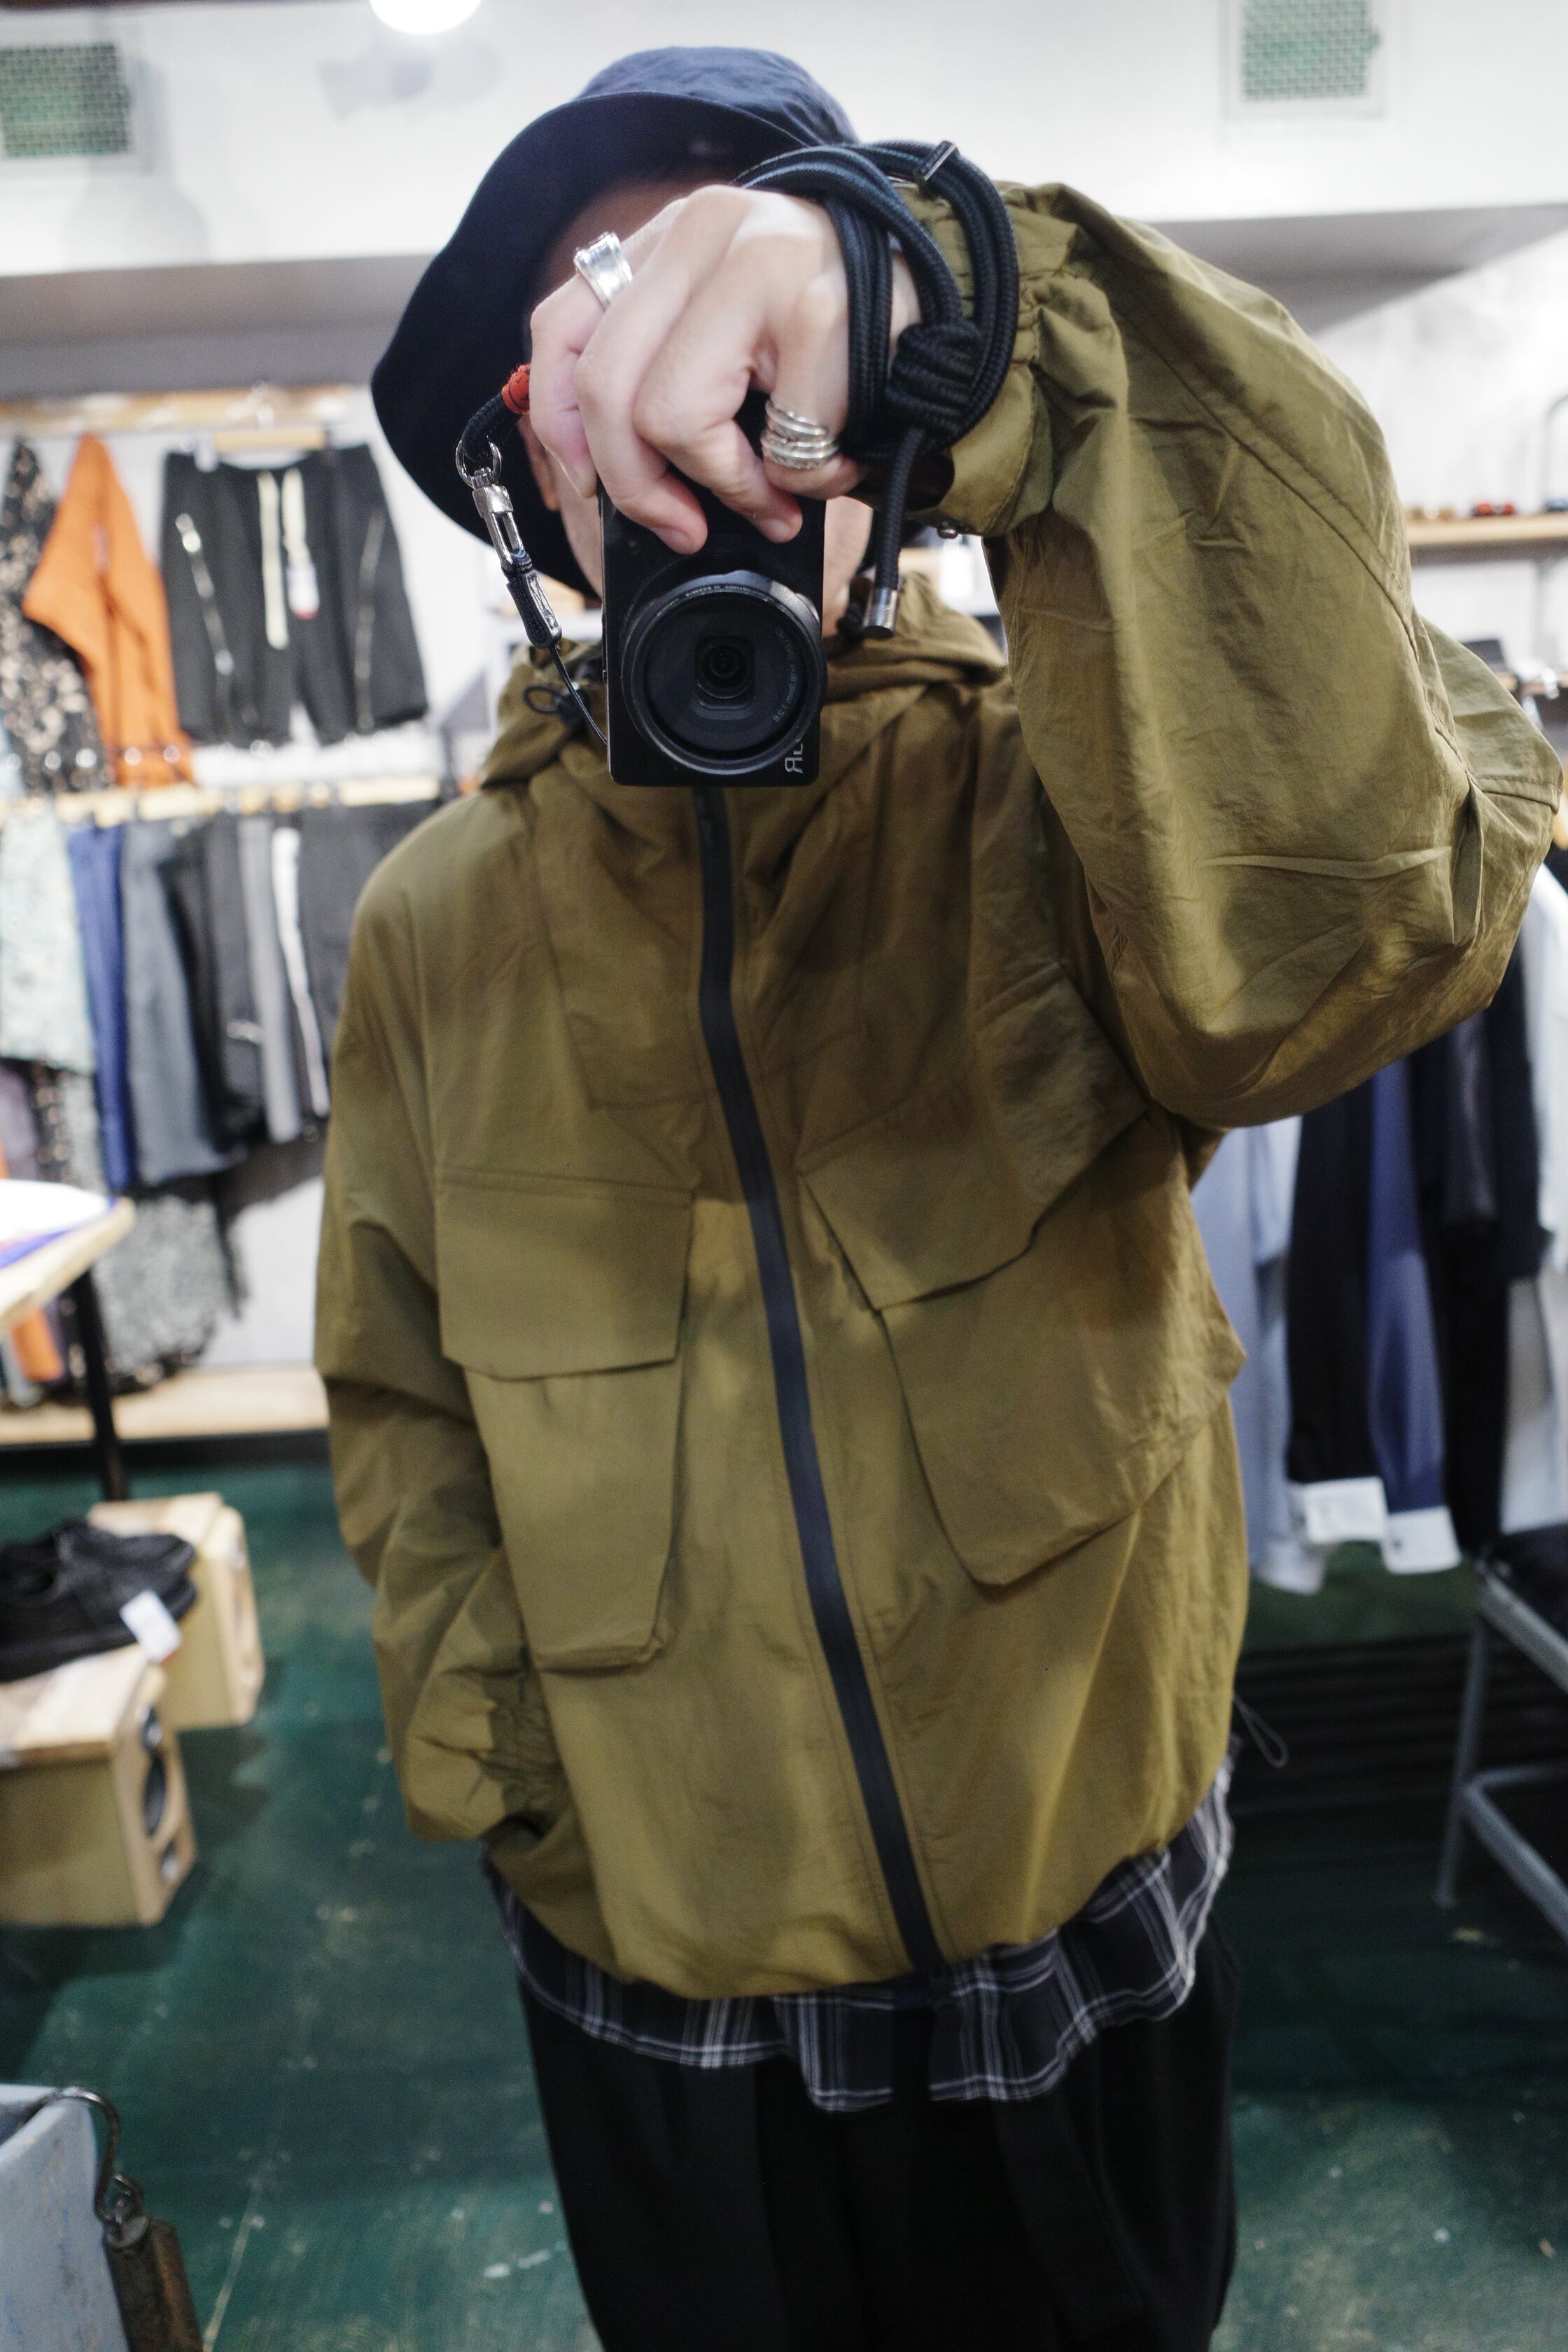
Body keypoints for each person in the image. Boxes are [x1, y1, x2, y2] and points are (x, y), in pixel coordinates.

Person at [321, 46, 1558, 2352]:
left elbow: (1363, 917)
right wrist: (516, 1784)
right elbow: (400, 1399)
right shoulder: (434, 922)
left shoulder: (1057, 798)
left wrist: (980, 304)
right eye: (609, 358)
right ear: (522, 459)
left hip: (1075, 1923)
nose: (693, 437)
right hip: (660, 1975)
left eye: (747, 358)